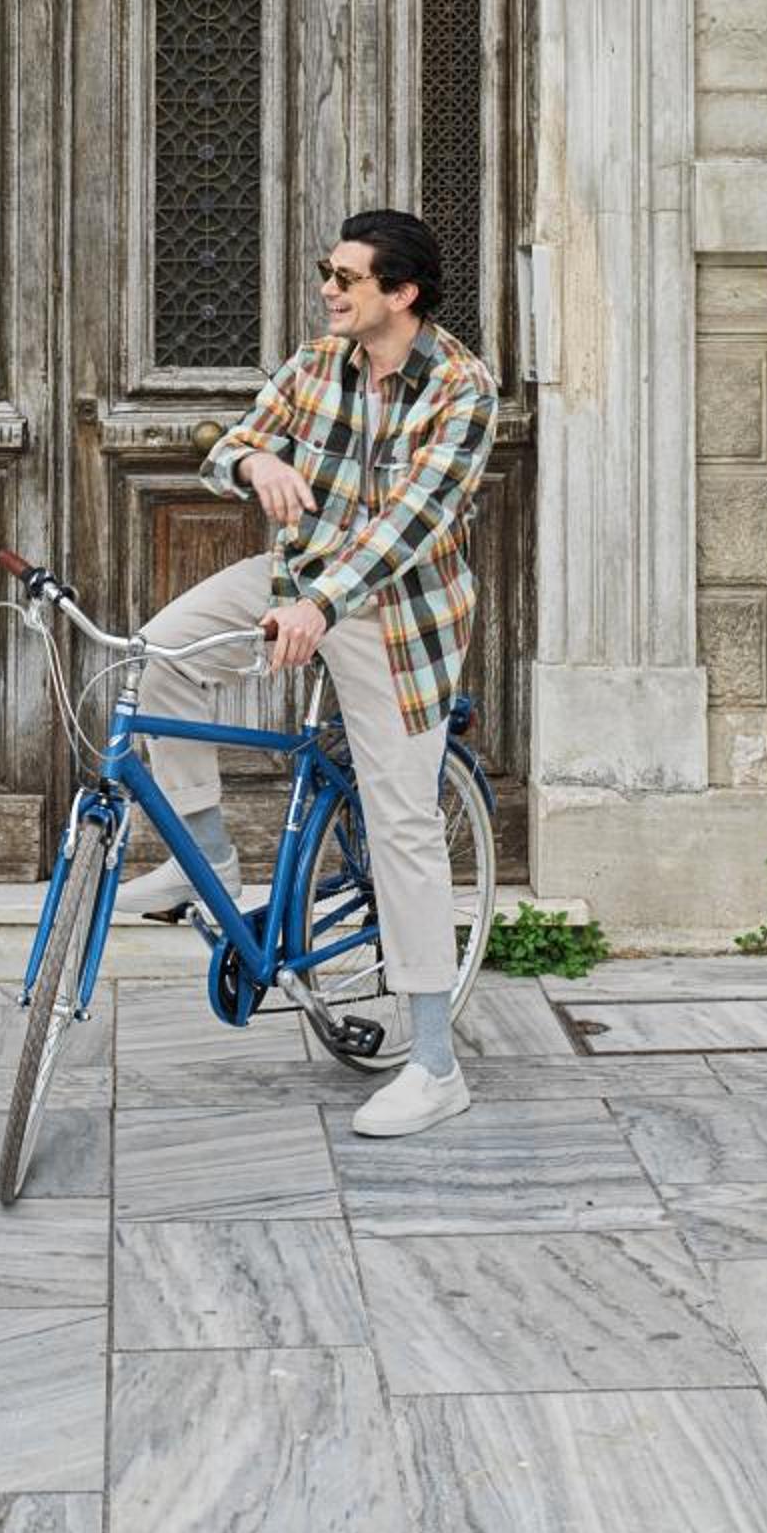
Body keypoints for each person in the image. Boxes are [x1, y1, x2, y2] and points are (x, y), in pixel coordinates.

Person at [115, 210, 500, 1138]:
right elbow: (225, 446)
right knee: (157, 659)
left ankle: (435, 1068)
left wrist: (323, 607)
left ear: (401, 294)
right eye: (329, 270)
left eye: (347, 277)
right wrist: (253, 463)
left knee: (402, 825)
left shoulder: (462, 388)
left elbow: (409, 525)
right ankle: (205, 860)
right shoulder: (318, 362)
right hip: (294, 582)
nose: (329, 288)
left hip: (397, 617)